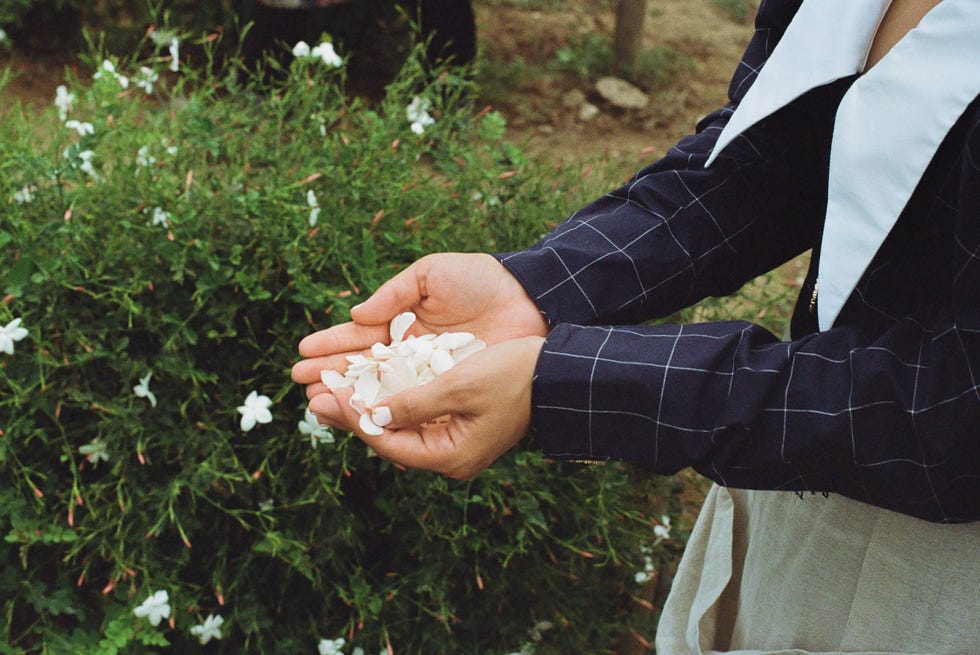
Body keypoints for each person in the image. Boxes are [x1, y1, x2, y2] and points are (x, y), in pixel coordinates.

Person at [292, 0, 980, 652]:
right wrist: (539, 286)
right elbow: (774, 156)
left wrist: (562, 382)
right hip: (806, 455)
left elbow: (953, 410)